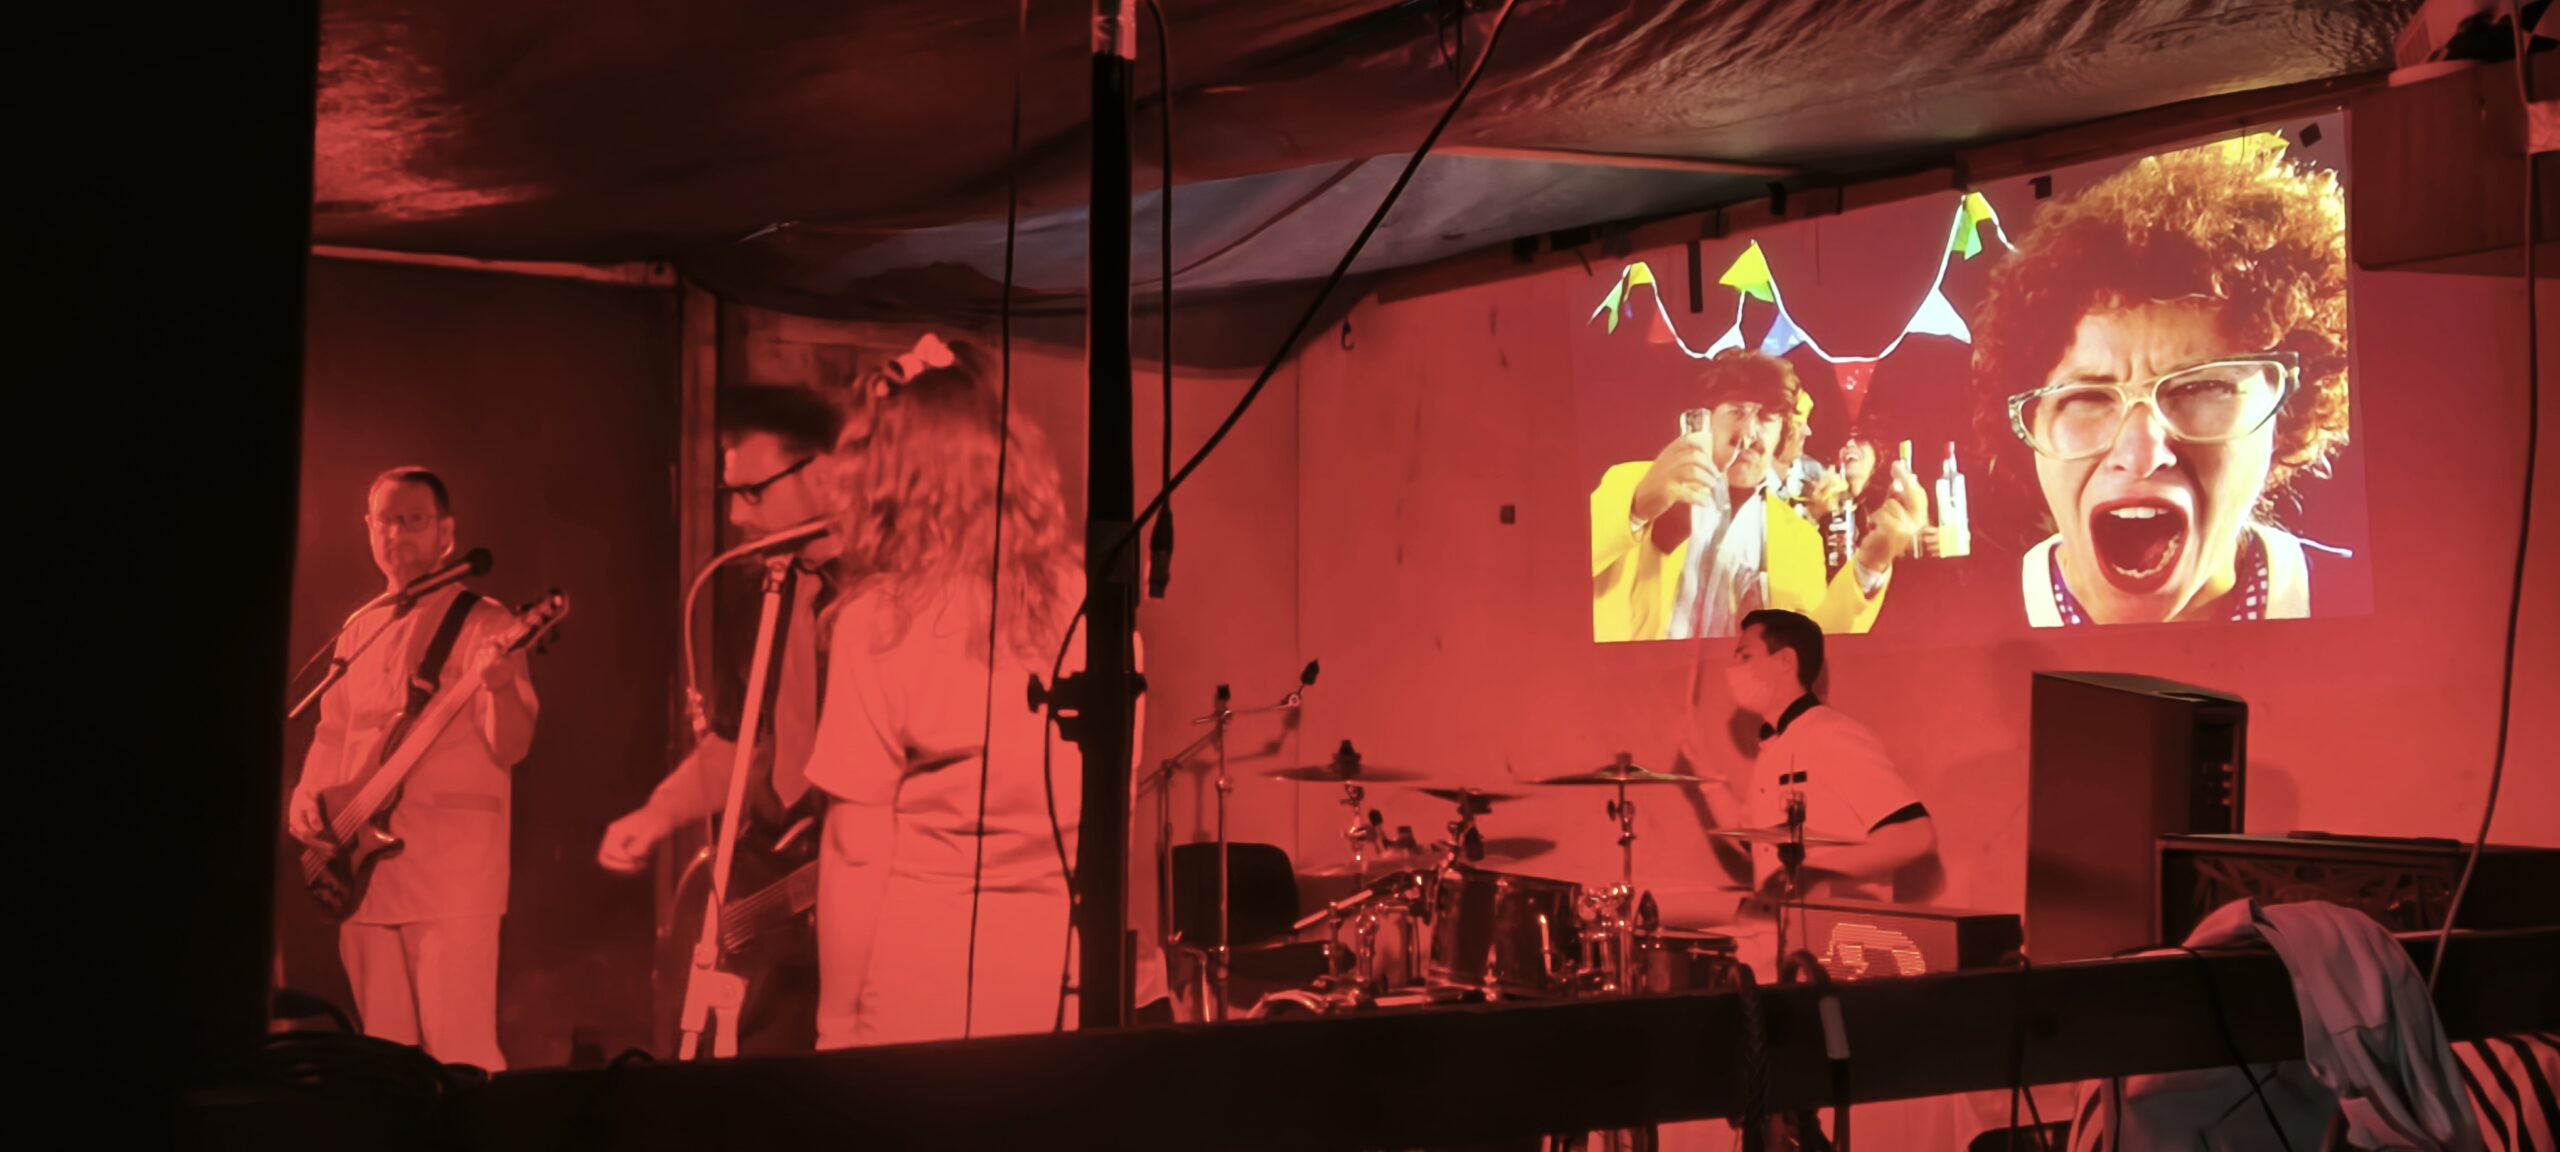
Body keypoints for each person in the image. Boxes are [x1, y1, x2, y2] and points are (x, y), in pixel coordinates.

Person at [804, 334, 1158, 1046]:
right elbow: (1110, 823)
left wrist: (834, 1024)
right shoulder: (1094, 614)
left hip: (917, 998)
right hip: (1060, 988)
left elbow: (855, 851)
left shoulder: (879, 624)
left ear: (892, 480)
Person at [1968, 136, 2351, 627]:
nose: (2142, 455)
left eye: (2199, 388)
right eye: (2087, 398)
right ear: (2033, 429)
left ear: (2286, 411)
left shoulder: (2393, 608)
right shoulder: (1950, 625)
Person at [595, 384, 846, 1055]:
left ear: (823, 474)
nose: (735, 516)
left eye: (752, 493)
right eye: (729, 495)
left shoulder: (887, 600)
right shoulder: (766, 594)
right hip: (780, 887)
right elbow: (739, 745)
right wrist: (656, 815)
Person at [287, 467, 540, 1071]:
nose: (398, 533)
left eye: (414, 520)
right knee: (383, 1059)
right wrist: (306, 797)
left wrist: (501, 686)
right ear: (368, 530)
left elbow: (513, 745)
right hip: (360, 872)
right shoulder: (360, 627)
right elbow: (333, 731)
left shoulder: (486, 622)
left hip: (452, 875)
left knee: (460, 1053)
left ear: (446, 533)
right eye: (387, 522)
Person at [1591, 350, 1925, 642]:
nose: (1749, 433)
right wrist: (1637, 509)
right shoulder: (1635, 482)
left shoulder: (1800, 540)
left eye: (1766, 418)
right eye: (1736, 412)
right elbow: (1565, 573)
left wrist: (1870, 565)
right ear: (1707, 420)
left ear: (1782, 433)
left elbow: (1814, 645)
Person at [1683, 608, 1937, 907]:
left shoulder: (1833, 734)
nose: (1734, 670)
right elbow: (1756, 846)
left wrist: (1814, 873)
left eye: (1745, 657)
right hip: (1788, 928)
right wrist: (1703, 770)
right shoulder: (1775, 746)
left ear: (1785, 661)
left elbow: (1915, 835)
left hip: (1839, 927)